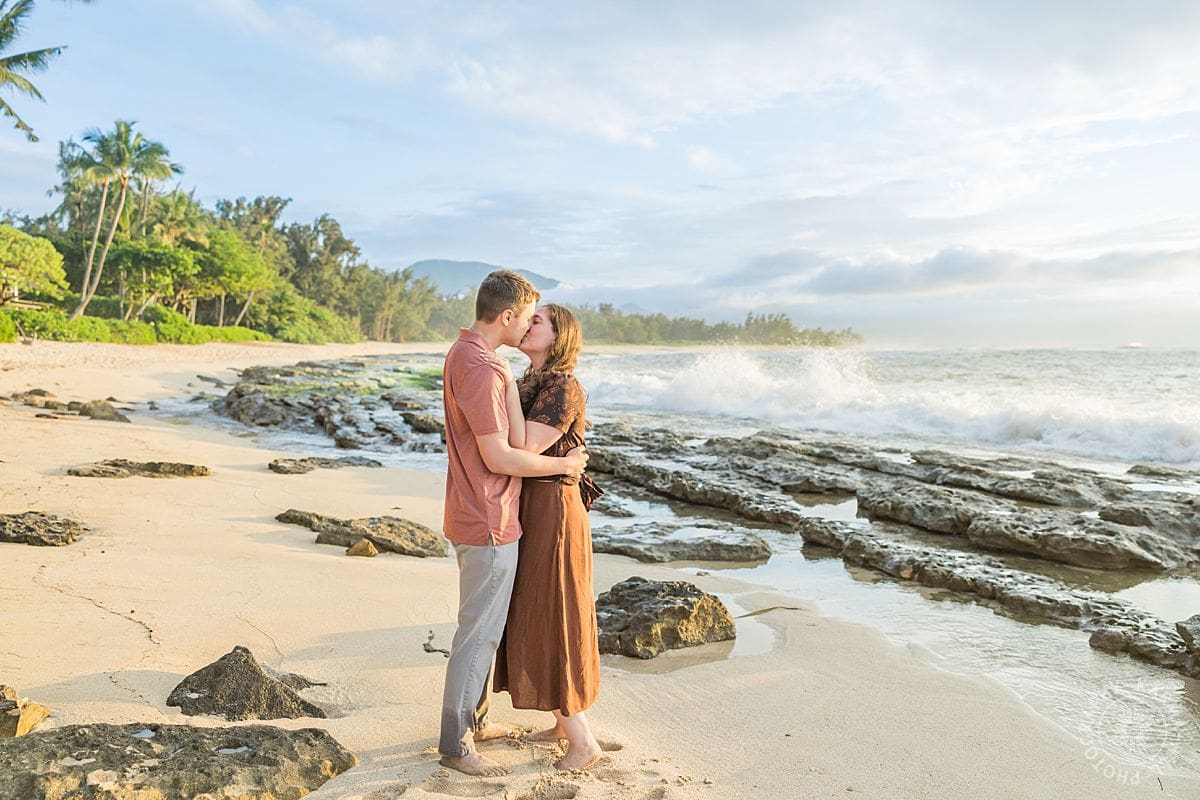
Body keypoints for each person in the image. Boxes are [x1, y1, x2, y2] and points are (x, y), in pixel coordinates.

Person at [439, 273, 589, 778]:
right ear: (507, 317)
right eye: (527, 317)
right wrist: (565, 466)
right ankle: (458, 745)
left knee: (487, 628)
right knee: (479, 633)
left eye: (537, 322)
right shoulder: (487, 368)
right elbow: (503, 454)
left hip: (495, 513)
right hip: (489, 514)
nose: (527, 325)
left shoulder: (483, 363)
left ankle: (477, 723)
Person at [493, 303, 604, 771]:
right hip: (534, 503)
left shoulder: (563, 386)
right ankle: (563, 723)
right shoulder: (532, 383)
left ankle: (583, 741)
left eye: (537, 321)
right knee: (540, 608)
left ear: (559, 337)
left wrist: (497, 377)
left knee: (554, 609)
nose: (526, 323)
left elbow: (525, 445)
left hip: (554, 508)